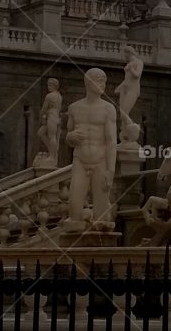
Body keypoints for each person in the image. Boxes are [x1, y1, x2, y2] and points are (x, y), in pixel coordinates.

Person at [63, 68, 117, 230]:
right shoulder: (74, 108)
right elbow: (68, 137)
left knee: (101, 213)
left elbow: (111, 141)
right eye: (99, 80)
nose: (103, 84)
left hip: (100, 160)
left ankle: (101, 249)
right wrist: (70, 137)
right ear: (87, 82)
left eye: (104, 80)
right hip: (80, 159)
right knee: (74, 205)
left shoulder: (108, 109)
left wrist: (111, 171)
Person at [36, 78, 62, 163]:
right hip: (55, 117)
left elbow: (44, 109)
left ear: (55, 86)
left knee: (52, 137)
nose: (48, 87)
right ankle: (52, 151)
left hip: (52, 117)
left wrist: (41, 116)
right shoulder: (59, 95)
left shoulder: (50, 96)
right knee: (41, 133)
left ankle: (52, 156)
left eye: (50, 85)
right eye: (48, 85)